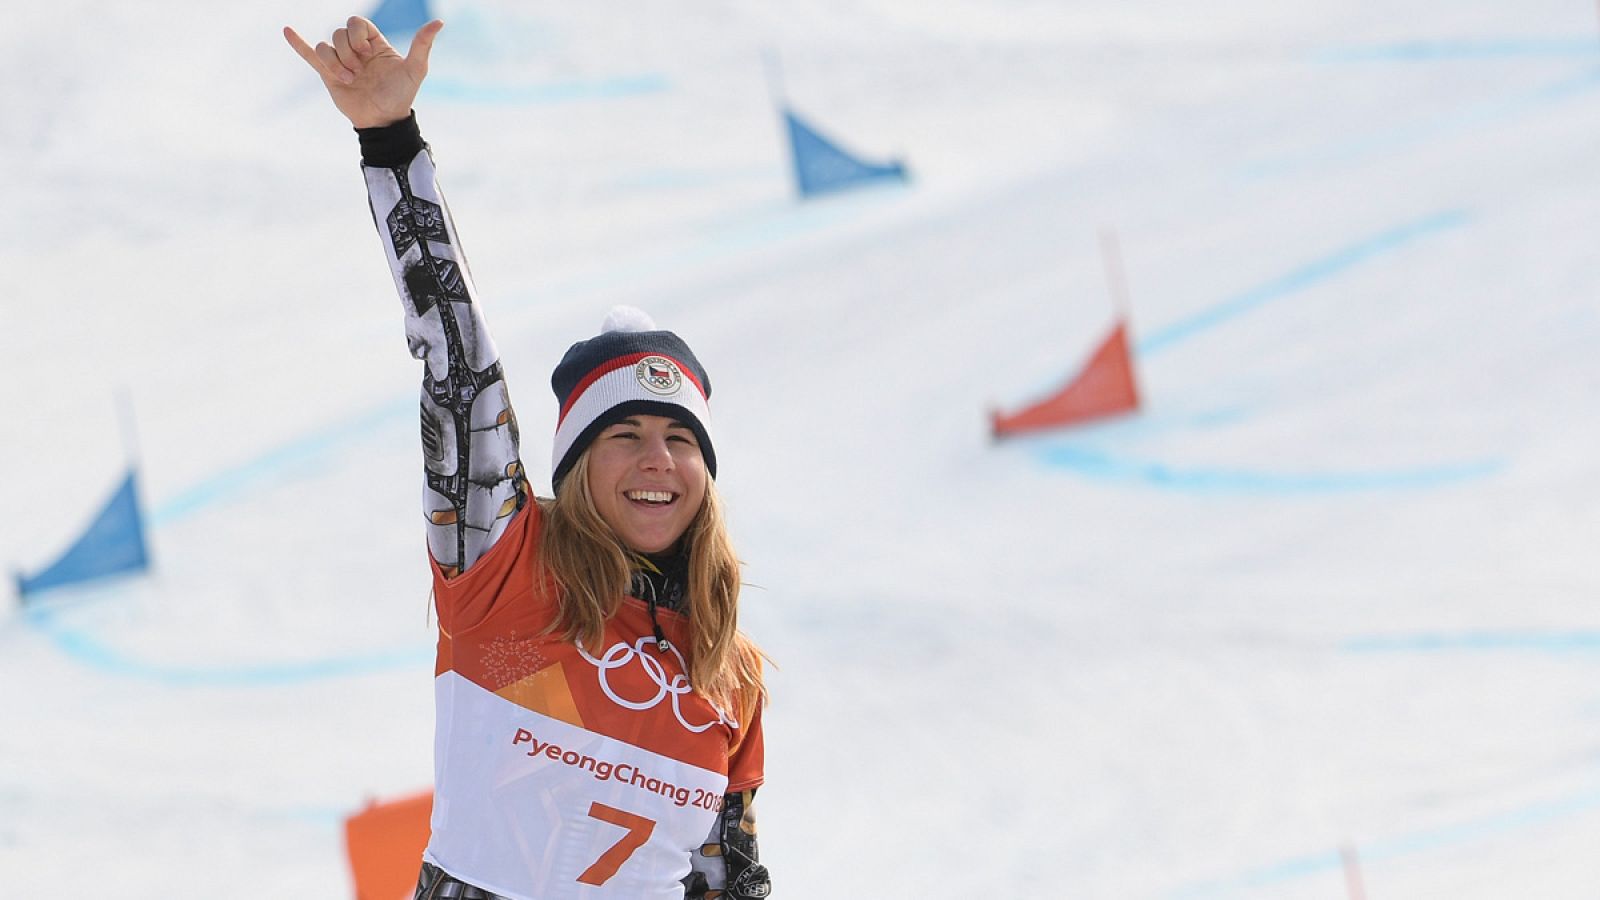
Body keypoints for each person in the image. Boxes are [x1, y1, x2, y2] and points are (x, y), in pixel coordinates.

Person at [284, 16, 772, 899]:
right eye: (623, 436)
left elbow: (725, 879)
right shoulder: (505, 565)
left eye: (680, 439)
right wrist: (390, 143)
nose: (657, 460)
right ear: (576, 468)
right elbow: (459, 370)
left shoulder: (726, 669)